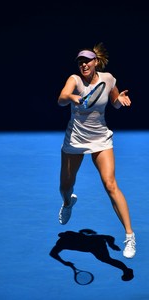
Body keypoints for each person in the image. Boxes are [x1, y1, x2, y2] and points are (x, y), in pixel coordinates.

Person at [57, 42, 136, 259]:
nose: (83, 65)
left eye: (87, 61)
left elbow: (115, 102)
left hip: (101, 139)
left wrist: (119, 100)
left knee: (110, 184)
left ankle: (130, 235)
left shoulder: (108, 79)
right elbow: (61, 99)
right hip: (75, 139)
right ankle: (67, 202)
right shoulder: (74, 80)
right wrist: (73, 97)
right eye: (80, 62)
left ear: (95, 62)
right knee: (65, 185)